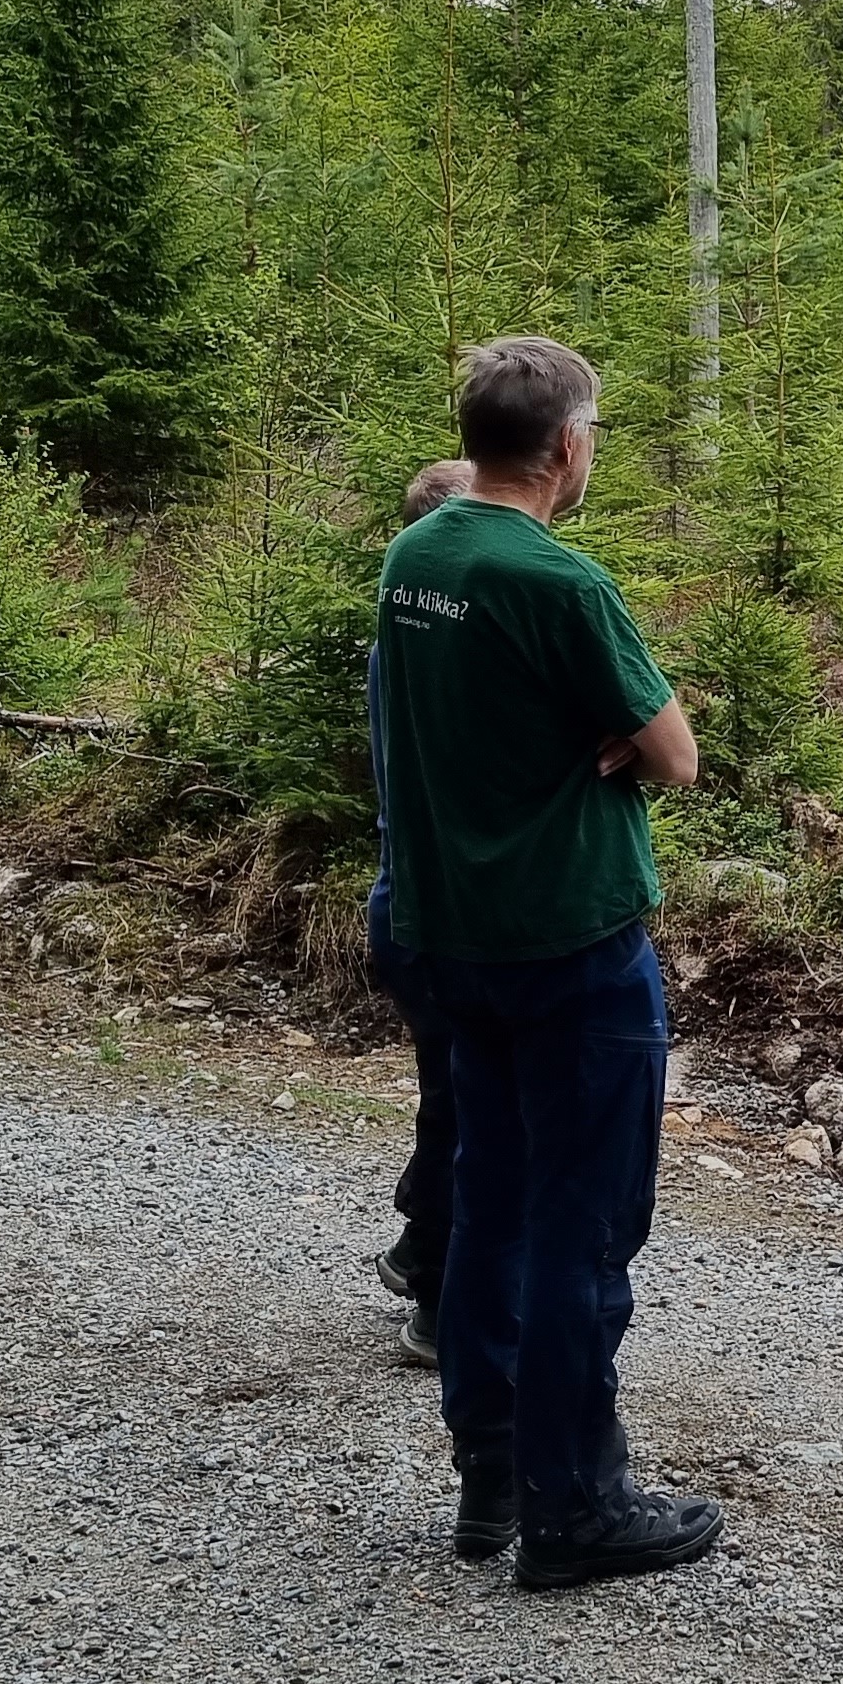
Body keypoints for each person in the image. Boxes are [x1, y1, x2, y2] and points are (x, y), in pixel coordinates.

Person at [370, 340, 719, 1590]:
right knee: (583, 1229)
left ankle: (493, 1476)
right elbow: (674, 754)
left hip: (451, 933)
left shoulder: (419, 554)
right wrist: (618, 736)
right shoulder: (559, 580)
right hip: (571, 940)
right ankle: (579, 1505)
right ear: (567, 446)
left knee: (489, 1208)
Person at [368, 454, 478, 1369]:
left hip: (402, 901)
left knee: (450, 1092)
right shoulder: (443, 650)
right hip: (439, 913)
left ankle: (415, 1250)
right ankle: (441, 1303)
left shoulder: (400, 640)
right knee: (468, 1107)